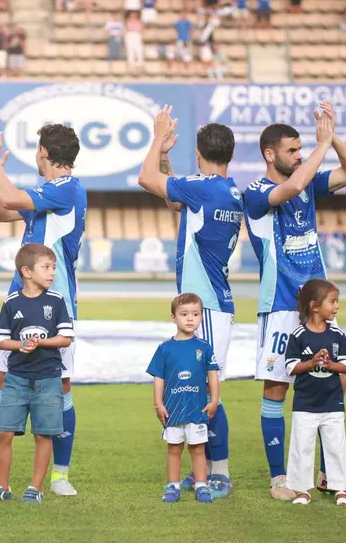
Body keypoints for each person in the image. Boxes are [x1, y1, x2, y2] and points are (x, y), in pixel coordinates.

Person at [243, 102, 346, 499]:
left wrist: (333, 139)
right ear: (270, 154)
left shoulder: (308, 181)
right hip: (281, 305)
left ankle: (331, 476)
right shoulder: (257, 192)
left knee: (333, 383)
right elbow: (294, 186)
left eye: (301, 150)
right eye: (292, 151)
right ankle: (281, 477)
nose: (298, 156)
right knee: (276, 388)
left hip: (317, 305)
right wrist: (321, 146)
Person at [0, 123, 86, 498]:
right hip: (20, 301)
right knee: (4, 383)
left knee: (59, 386)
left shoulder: (66, 188)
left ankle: (59, 476)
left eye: (37, 150)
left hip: (57, 303)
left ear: (44, 154)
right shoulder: (49, 195)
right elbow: (2, 210)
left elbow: (13, 197)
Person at [136, 105, 239, 496]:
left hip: (207, 303)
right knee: (204, 389)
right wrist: (166, 157)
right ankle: (213, 470)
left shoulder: (204, 186)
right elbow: (178, 203)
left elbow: (147, 179)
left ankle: (220, 471)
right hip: (215, 301)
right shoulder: (225, 191)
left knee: (209, 390)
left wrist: (156, 140)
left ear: (199, 154)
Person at [0, 243, 74, 504]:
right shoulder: (11, 303)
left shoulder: (56, 301)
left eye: (53, 267)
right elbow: (0, 341)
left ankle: (36, 488)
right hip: (16, 380)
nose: (52, 272)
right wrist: (22, 345)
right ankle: (3, 486)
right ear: (26, 271)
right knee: (3, 433)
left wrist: (41, 342)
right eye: (46, 267)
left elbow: (66, 338)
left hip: (48, 379)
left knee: (43, 434)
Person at [284, 279, 346, 506]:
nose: (337, 307)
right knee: (301, 447)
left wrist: (330, 365)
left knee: (336, 446)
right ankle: (302, 490)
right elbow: (291, 367)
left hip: (332, 402)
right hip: (305, 402)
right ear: (315, 306)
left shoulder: (337, 335)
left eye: (337, 302)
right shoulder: (298, 335)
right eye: (332, 302)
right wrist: (312, 362)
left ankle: (340, 488)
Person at [147, 293, 220, 504]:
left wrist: (214, 400)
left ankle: (201, 486)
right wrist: (158, 404)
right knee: (174, 448)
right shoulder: (164, 348)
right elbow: (158, 378)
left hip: (197, 409)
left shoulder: (204, 347)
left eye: (195, 314)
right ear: (173, 317)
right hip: (172, 409)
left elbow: (213, 375)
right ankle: (172, 486)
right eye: (184, 314)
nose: (190, 319)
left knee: (198, 448)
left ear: (200, 318)